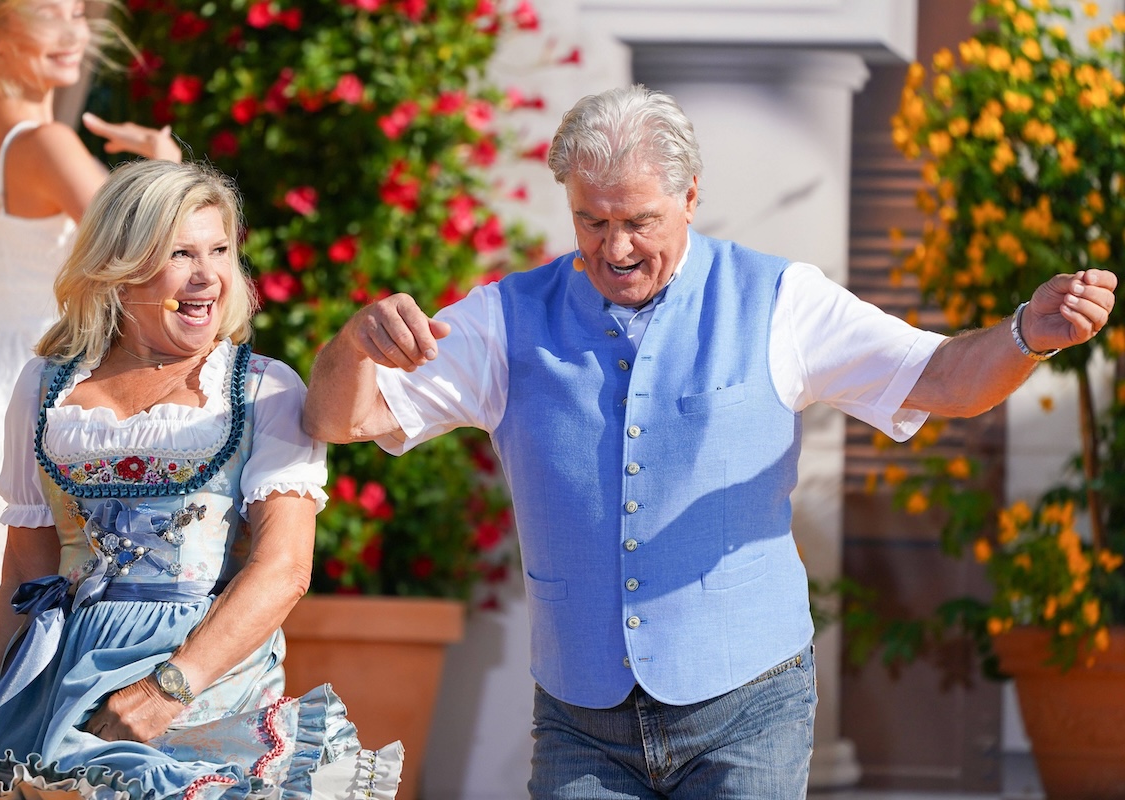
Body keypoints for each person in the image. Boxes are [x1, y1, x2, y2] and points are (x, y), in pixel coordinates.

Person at [301, 84, 1118, 799]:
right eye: (592, 221)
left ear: (692, 197)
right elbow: (344, 421)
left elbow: (940, 378)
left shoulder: (780, 298)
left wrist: (1025, 335)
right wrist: (355, 344)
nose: (615, 249)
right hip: (581, 722)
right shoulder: (506, 315)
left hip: (747, 710)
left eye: (640, 222)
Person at [0, 159, 403, 799]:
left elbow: (283, 570)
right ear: (120, 270)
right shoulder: (45, 387)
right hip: (58, 676)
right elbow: (23, 573)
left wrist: (164, 692)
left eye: (221, 251)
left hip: (203, 685)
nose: (209, 275)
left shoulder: (261, 388)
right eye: (181, 253)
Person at [0, 0, 182, 749]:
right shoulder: (45, 140)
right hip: (27, 401)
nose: (78, 32)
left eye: (81, 11)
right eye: (52, 13)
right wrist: (164, 170)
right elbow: (154, 259)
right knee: (8, 692)